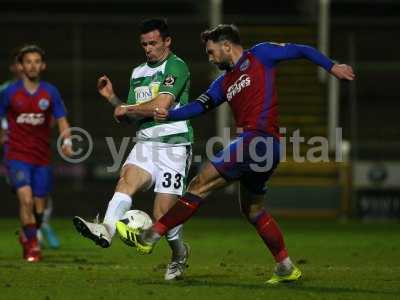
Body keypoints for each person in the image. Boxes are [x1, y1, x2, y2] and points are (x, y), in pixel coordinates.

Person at [116, 24, 355, 284]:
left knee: (199, 183)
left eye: (211, 52)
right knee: (252, 210)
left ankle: (153, 233)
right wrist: (170, 114)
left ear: (226, 46)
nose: (209, 57)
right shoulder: (225, 81)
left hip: (259, 141)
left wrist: (332, 66)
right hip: (264, 149)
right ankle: (285, 266)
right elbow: (199, 106)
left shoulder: (261, 54)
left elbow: (301, 49)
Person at [73, 18, 194, 281]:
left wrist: (127, 109)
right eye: (144, 44)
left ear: (167, 41)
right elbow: (132, 114)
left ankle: (179, 254)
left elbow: (162, 105)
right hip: (145, 144)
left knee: (163, 214)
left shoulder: (177, 66)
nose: (148, 49)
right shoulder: (138, 72)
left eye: (153, 43)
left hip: (174, 148)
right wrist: (113, 100)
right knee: (125, 181)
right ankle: (106, 229)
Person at [0, 45, 73, 262]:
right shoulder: (10, 92)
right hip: (16, 155)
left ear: (43, 66)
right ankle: (32, 246)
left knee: (40, 208)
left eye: (36, 61)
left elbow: (61, 119)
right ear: (21, 66)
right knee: (26, 200)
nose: (32, 65)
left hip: (41, 158)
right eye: (28, 61)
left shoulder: (50, 92)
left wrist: (67, 140)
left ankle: (29, 233)